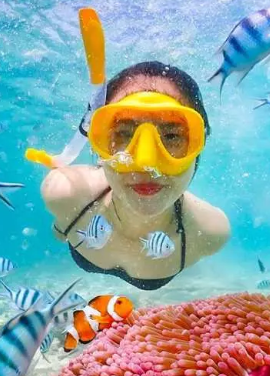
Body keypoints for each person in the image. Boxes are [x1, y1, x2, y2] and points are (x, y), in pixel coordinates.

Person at [41, 61, 230, 291]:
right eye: (123, 134)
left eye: (172, 136)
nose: (145, 163)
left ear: (198, 146)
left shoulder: (210, 233)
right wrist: (62, 228)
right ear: (99, 144)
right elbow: (60, 228)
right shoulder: (64, 193)